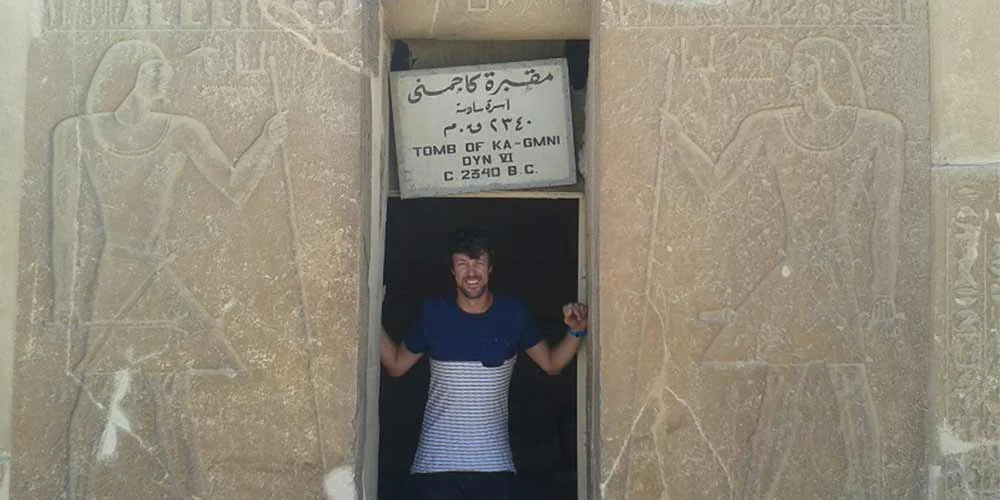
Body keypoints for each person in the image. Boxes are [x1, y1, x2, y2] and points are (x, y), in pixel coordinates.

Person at [660, 36, 901, 498]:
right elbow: (715, 180)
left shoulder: (877, 128)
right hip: (795, 274)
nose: (789, 76)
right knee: (781, 393)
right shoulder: (768, 125)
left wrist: (885, 292)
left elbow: (884, 217)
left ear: (821, 72)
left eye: (798, 66)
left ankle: (872, 488)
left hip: (840, 277)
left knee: (851, 386)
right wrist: (677, 138)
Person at [380, 228, 587, 500]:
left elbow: (552, 365)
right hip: (434, 468)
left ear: (490, 268)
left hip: (494, 468)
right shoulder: (433, 314)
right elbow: (396, 366)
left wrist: (576, 331)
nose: (471, 272)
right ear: (452, 271)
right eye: (462, 263)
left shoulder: (514, 314)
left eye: (478, 262)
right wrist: (368, 312)